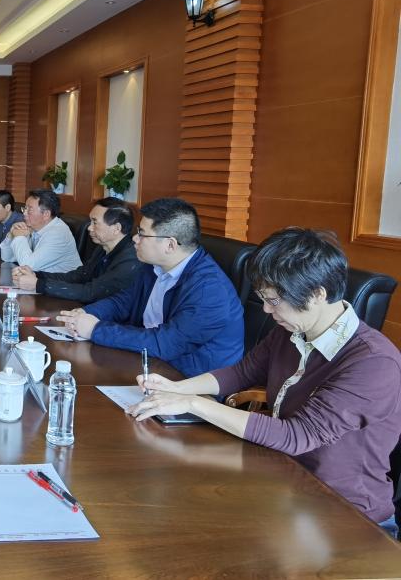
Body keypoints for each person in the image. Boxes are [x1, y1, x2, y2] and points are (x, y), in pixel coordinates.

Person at [128, 228, 401, 537]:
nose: (267, 310)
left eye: (274, 300)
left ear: (317, 294)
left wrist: (192, 403)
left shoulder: (373, 363)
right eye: (264, 299)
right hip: (284, 483)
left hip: (348, 516)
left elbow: (298, 435)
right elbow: (242, 373)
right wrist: (176, 388)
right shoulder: (292, 330)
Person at [59, 197, 242, 377]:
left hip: (187, 380)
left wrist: (96, 329)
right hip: (149, 363)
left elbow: (165, 344)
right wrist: (85, 313)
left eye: (142, 234)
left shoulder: (210, 290)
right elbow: (124, 302)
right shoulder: (153, 266)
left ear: (170, 245)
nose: (134, 239)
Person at [12, 197, 143, 303]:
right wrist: (36, 275)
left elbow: (91, 292)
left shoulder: (130, 258)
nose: (89, 228)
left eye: (95, 222)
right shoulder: (103, 247)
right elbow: (79, 276)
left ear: (116, 228)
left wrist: (38, 284)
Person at [0, 189, 81, 273]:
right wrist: (11, 235)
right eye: (25, 208)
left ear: (46, 214)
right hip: (41, 278)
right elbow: (6, 257)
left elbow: (27, 266)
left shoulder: (58, 234)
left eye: (29, 210)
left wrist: (19, 236)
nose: (24, 213)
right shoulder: (35, 226)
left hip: (62, 280)